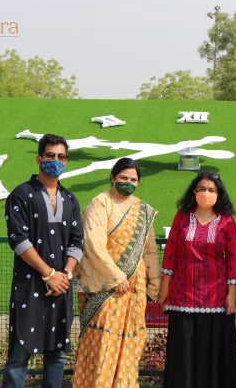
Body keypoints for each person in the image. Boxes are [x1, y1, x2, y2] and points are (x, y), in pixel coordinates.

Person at [2, 133, 84, 388]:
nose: (55, 161)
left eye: (61, 157)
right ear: (39, 158)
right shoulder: (21, 194)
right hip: (30, 286)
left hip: (61, 288)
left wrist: (65, 275)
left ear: (66, 161)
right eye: (50, 155)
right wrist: (49, 274)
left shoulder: (70, 199)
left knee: (57, 355)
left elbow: (77, 242)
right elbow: (18, 240)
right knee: (19, 354)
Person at [72, 157, 160, 388]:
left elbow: (149, 250)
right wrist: (116, 277)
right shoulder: (100, 203)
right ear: (113, 177)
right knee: (101, 343)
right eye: (123, 178)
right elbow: (92, 242)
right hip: (105, 287)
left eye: (133, 179)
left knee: (131, 344)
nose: (127, 183)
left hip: (134, 292)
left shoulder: (143, 210)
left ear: (139, 183)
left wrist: (154, 285)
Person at [158, 171, 236, 388]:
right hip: (181, 295)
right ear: (194, 192)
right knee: (182, 353)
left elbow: (233, 259)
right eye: (202, 189)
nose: (206, 193)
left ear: (219, 194)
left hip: (215, 298)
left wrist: (231, 295)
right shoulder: (182, 217)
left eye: (211, 190)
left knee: (210, 351)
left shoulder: (227, 222)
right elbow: (171, 253)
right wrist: (164, 287)